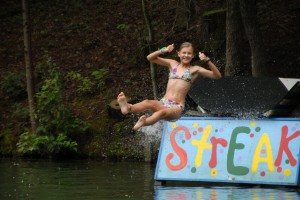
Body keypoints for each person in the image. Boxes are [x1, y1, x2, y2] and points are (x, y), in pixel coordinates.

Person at [117, 42, 222, 131]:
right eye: (184, 53)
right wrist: (164, 50)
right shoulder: (173, 64)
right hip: (164, 102)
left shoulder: (195, 69)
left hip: (177, 107)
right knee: (147, 102)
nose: (186, 55)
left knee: (162, 112)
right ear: (179, 54)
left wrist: (207, 60)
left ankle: (144, 122)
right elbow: (150, 58)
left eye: (189, 53)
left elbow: (217, 76)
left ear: (193, 55)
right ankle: (128, 108)